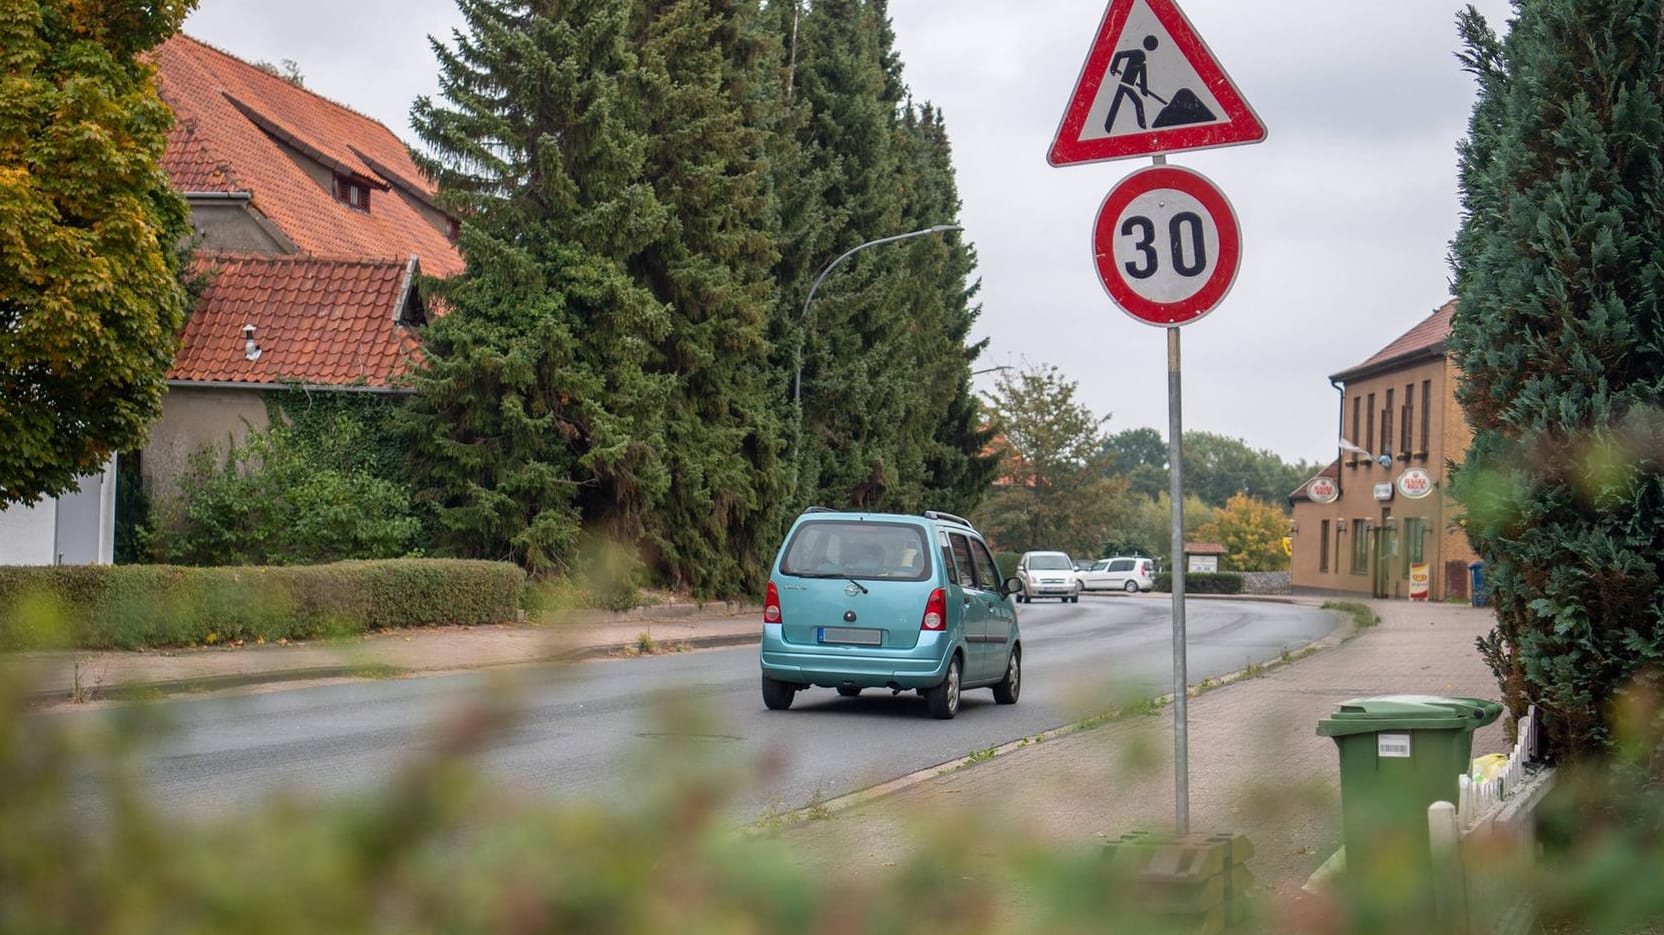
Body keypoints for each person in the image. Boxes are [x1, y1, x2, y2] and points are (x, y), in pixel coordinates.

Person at [1105, 35, 1159, 132]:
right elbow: (1118, 55)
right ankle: (1143, 127)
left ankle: (1107, 127)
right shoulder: (1138, 53)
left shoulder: (1143, 58)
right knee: (1134, 103)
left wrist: (1144, 91)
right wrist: (1113, 68)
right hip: (1124, 84)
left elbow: (1143, 76)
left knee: (1119, 104)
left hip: (1127, 85)